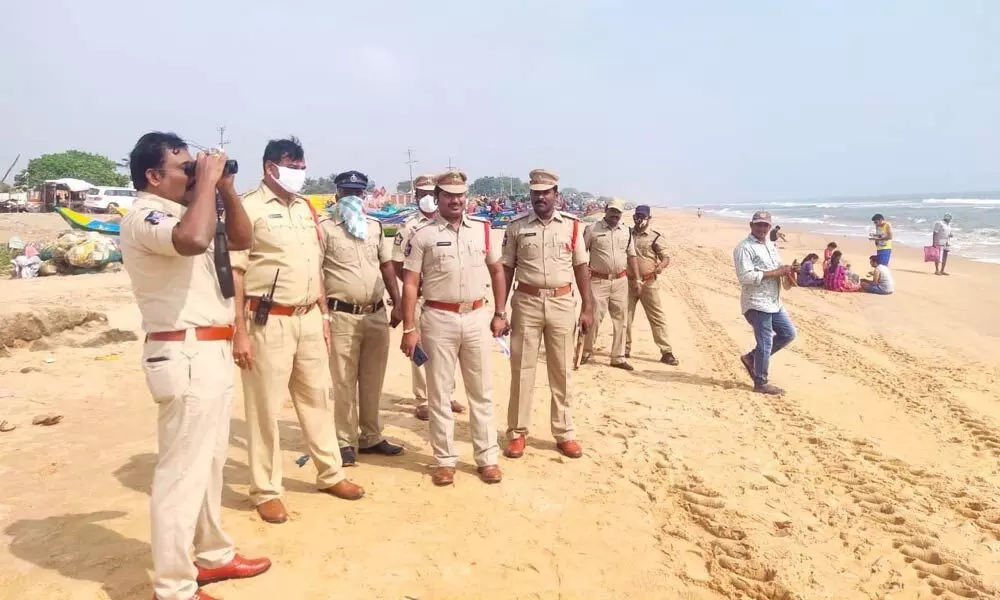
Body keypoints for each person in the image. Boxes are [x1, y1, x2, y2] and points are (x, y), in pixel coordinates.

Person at [120, 132, 270, 600]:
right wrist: (205, 185)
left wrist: (222, 188)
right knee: (180, 476)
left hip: (211, 349)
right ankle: (173, 587)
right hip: (182, 352)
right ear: (153, 175)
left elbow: (244, 238)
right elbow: (192, 241)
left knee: (210, 465)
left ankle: (212, 556)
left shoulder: (193, 209)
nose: (192, 175)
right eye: (184, 167)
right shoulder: (145, 215)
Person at [231, 137, 363, 526]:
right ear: (270, 167)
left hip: (308, 318)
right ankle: (266, 490)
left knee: (317, 399)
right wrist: (238, 330)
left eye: (303, 165)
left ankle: (330, 473)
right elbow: (236, 272)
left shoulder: (305, 208)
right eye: (293, 164)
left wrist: (322, 315)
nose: (299, 172)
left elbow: (315, 266)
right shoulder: (247, 208)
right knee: (265, 409)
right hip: (266, 319)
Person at [400, 170, 507, 486]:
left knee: (481, 393)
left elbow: (498, 272)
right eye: (449, 195)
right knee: (439, 394)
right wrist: (409, 328)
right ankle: (445, 460)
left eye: (461, 194)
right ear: (438, 197)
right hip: (438, 319)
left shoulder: (483, 231)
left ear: (466, 196)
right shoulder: (422, 235)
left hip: (475, 316)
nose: (456, 200)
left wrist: (500, 312)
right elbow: (410, 284)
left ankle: (487, 458)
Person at [501, 168, 594, 459]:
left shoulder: (573, 226)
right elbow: (507, 268)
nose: (540, 197)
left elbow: (581, 268)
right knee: (522, 371)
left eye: (546, 192)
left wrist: (588, 307)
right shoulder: (516, 227)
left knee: (563, 371)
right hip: (526, 303)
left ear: (556, 195)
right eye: (536, 192)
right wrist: (499, 310)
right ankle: (517, 433)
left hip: (562, 303)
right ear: (530, 194)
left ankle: (564, 432)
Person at [322, 170, 405, 466]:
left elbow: (386, 267)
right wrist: (321, 316)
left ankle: (371, 436)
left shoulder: (375, 226)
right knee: (343, 380)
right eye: (347, 192)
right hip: (340, 315)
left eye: (358, 193)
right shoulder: (325, 228)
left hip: (375, 313)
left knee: (372, 379)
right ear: (337, 195)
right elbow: (318, 274)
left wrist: (398, 304)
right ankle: (345, 440)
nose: (353, 198)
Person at [391, 174, 465, 421]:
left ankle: (447, 394)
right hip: (421, 296)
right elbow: (396, 261)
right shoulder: (411, 227)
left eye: (428, 194)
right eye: (421, 194)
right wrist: (415, 287)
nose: (426, 199)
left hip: (444, 297)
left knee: (448, 348)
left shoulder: (452, 223)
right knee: (420, 347)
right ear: (416, 197)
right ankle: (423, 399)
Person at [733, 210, 797, 396]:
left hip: (774, 301)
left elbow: (778, 268)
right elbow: (745, 277)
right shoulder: (744, 248)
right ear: (751, 225)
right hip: (756, 303)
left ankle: (752, 358)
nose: (762, 228)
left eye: (765, 225)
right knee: (766, 343)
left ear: (770, 227)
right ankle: (760, 382)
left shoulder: (770, 245)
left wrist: (789, 270)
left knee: (788, 334)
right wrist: (775, 273)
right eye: (758, 224)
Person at [580, 198, 638, 370]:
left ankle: (618, 357)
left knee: (622, 320)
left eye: (618, 212)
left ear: (621, 214)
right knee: (594, 318)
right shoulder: (592, 230)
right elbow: (581, 256)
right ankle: (586, 352)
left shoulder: (626, 232)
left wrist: (637, 278)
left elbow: (632, 255)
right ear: (606, 210)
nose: (615, 215)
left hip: (621, 281)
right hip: (598, 281)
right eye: (612, 211)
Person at [625, 205, 680, 365]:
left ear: (649, 218)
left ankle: (666, 352)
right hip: (629, 282)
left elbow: (666, 257)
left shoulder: (655, 237)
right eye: (637, 216)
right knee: (625, 317)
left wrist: (660, 266)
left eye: (643, 216)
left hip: (649, 283)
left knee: (656, 317)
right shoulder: (626, 234)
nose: (639, 219)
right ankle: (624, 349)